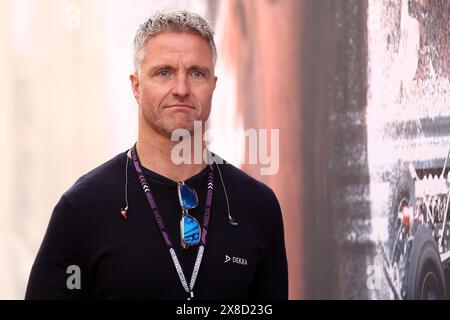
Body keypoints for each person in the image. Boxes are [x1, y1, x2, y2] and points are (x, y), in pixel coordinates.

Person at [25, 10, 288, 300]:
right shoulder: (82, 210)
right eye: (164, 72)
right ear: (136, 86)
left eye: (196, 73)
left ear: (213, 86)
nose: (181, 89)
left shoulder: (257, 207)